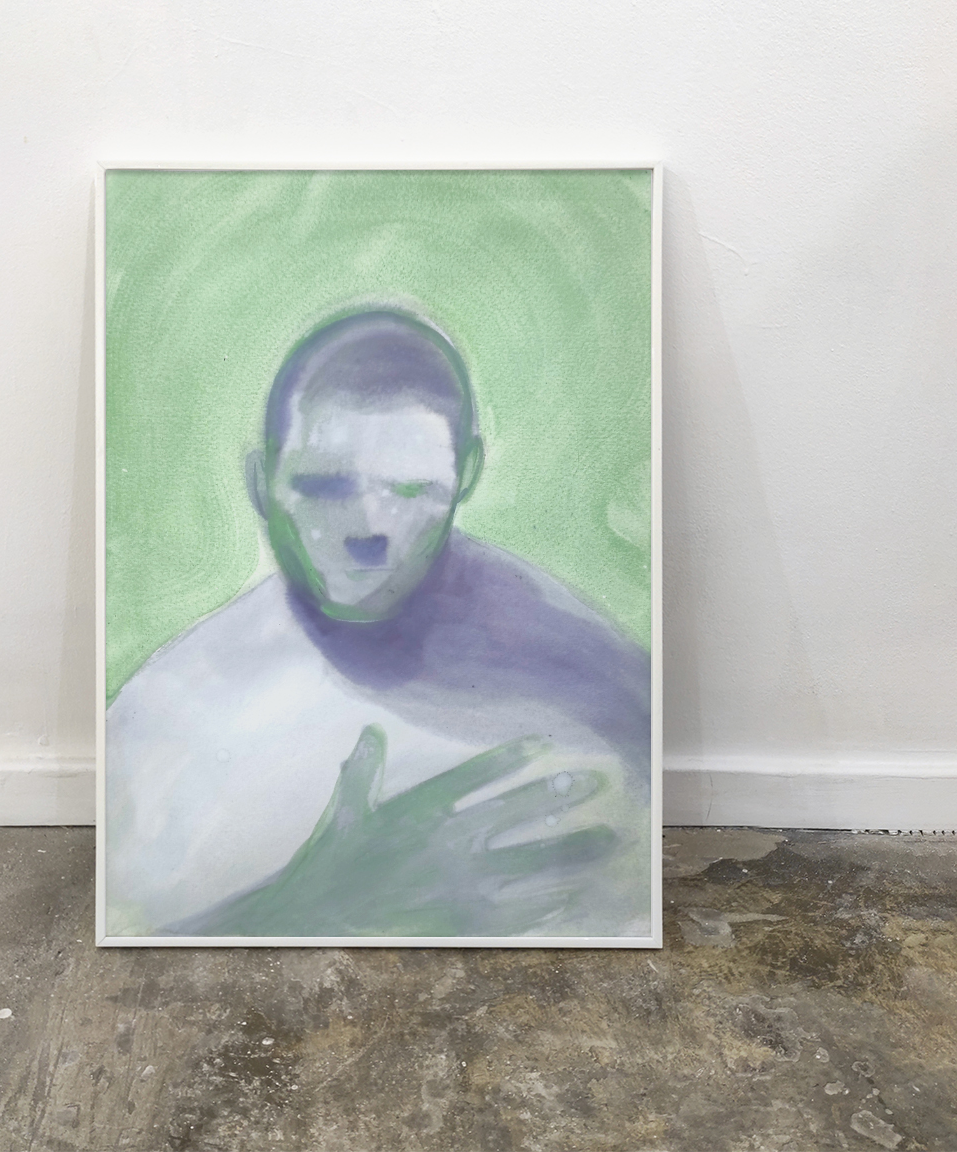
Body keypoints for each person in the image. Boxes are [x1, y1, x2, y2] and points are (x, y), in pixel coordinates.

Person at [105, 309, 651, 937]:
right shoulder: (168, 708)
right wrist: (310, 908)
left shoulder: (605, 688)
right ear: (260, 484)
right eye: (323, 488)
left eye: (413, 491)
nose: (369, 530)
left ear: (467, 474)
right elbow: (122, 940)